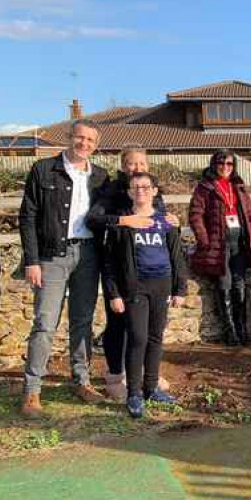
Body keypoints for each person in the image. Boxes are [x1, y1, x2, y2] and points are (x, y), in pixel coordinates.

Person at [18, 119, 110, 417]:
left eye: (90, 140)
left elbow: (123, 206)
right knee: (45, 323)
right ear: (69, 138)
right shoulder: (44, 169)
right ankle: (32, 390)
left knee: (82, 322)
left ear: (96, 145)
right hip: (51, 256)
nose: (84, 144)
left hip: (88, 255)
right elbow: (28, 216)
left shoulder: (101, 177)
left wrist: (162, 215)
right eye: (79, 137)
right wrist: (32, 260)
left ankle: (81, 381)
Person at [86, 146, 177, 400]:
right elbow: (93, 220)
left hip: (149, 270)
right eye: (131, 164)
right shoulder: (113, 191)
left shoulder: (152, 189)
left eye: (141, 164)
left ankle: (149, 377)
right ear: (123, 166)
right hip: (118, 265)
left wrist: (172, 222)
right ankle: (115, 374)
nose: (137, 168)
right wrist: (123, 221)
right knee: (118, 323)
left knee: (147, 329)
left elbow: (161, 220)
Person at [102, 172, 186, 418]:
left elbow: (177, 256)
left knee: (155, 337)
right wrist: (114, 294)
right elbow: (110, 264)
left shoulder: (165, 222)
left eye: (146, 187)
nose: (141, 191)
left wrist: (180, 289)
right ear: (129, 192)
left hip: (161, 284)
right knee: (137, 337)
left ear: (154, 191)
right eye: (135, 187)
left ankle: (151, 388)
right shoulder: (123, 223)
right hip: (135, 287)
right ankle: (134, 394)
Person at [188, 150, 251, 346]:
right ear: (214, 164)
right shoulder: (205, 187)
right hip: (218, 242)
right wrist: (204, 240)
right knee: (224, 285)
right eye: (221, 163)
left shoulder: (239, 186)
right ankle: (230, 331)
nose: (225, 167)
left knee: (240, 285)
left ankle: (242, 329)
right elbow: (195, 215)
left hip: (239, 242)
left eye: (229, 164)